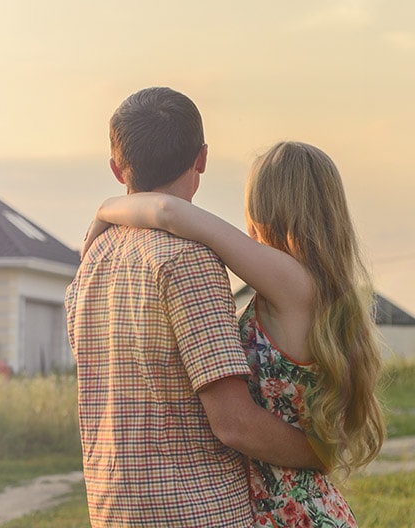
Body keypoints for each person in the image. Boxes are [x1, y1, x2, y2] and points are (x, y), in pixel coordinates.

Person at [81, 140, 386, 527]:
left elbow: (167, 210)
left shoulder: (292, 283)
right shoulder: (316, 291)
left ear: (266, 207)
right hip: (306, 507)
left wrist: (106, 208)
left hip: (289, 515)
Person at [65, 86, 324, 527]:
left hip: (113, 511)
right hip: (196, 509)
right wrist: (322, 453)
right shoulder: (189, 260)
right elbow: (234, 424)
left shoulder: (91, 262)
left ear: (116, 168)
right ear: (201, 158)